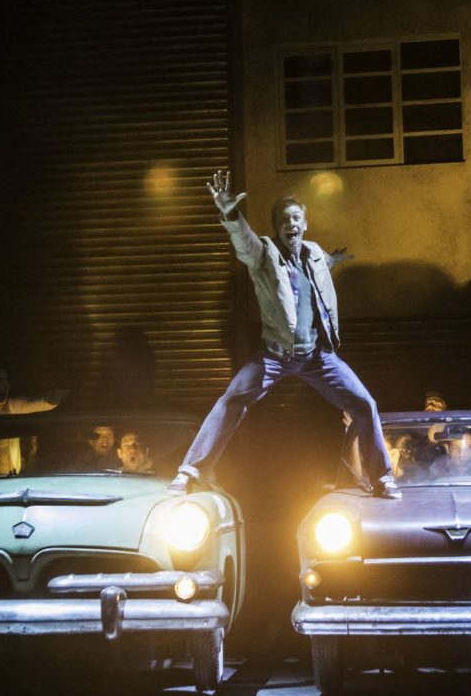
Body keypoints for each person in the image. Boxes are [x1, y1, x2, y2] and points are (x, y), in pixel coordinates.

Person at [168, 171, 398, 498]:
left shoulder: (314, 253)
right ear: (276, 228)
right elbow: (244, 242)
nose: (290, 224)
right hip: (274, 356)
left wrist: (334, 258)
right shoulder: (264, 255)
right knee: (231, 400)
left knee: (364, 403)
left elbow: (321, 265)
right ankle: (188, 473)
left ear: (305, 224)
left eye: (296, 219)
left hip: (317, 356)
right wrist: (231, 214)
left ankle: (382, 478)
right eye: (284, 220)